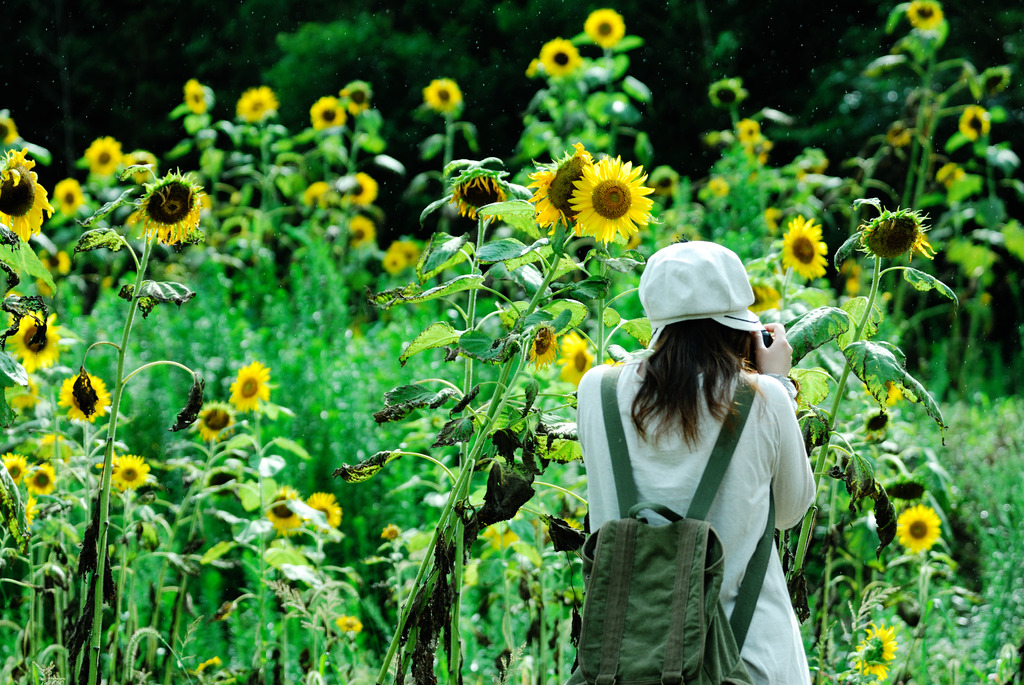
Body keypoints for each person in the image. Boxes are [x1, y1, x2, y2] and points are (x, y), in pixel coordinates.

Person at [576, 240, 816, 684]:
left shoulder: (597, 391)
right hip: (749, 662)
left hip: (626, 664)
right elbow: (790, 512)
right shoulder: (765, 399)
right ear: (738, 325)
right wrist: (780, 383)